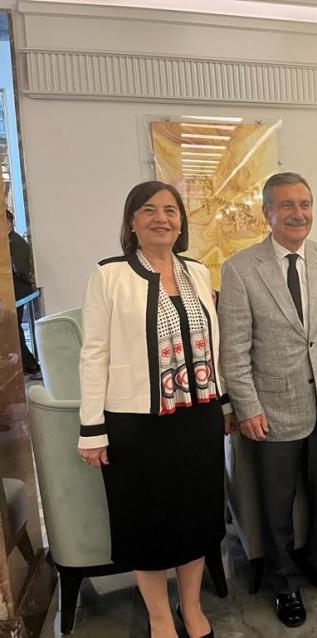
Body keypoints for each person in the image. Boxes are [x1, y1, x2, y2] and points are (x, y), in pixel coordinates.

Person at [78, 181, 232, 638]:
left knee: (197, 516)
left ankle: (191, 607)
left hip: (198, 416)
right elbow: (93, 354)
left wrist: (223, 403)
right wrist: (92, 429)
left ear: (181, 222)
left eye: (170, 210)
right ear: (132, 221)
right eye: (148, 210)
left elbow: (214, 345)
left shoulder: (197, 271)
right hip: (135, 424)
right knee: (145, 522)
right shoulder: (109, 274)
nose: (161, 218)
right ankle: (160, 616)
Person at [218, 172, 317, 629]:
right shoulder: (240, 269)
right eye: (287, 205)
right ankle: (283, 582)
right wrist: (248, 407)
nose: (298, 214)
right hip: (272, 410)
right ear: (268, 213)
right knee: (277, 505)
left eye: (305, 204)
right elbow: (234, 350)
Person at [6, 209, 39, 375]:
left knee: (13, 329)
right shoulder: (9, 240)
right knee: (13, 329)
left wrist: (28, 282)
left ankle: (30, 364)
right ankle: (27, 364)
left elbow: (20, 269)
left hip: (18, 292)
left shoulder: (15, 242)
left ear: (8, 222)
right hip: (15, 292)